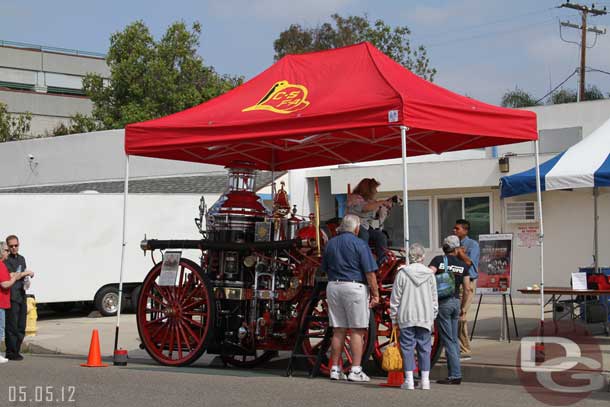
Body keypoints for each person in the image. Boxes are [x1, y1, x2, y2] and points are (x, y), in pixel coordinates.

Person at [321, 214, 380, 382]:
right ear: (357, 228)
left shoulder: (331, 243)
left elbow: (324, 268)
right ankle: (355, 369)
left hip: (333, 285)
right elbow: (369, 272)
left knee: (338, 329)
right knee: (357, 330)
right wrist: (375, 294)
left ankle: (334, 368)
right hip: (354, 286)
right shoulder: (360, 244)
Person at [390, 243, 438, 390]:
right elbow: (434, 298)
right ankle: (425, 381)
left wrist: (394, 317)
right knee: (425, 348)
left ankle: (409, 380)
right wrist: (433, 315)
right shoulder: (429, 275)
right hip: (424, 315)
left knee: (407, 348)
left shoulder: (402, 273)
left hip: (407, 315)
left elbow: (395, 298)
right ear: (423, 257)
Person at [429, 235, 472, 385]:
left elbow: (428, 275)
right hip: (456, 303)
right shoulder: (463, 265)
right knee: (453, 339)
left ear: (444, 247)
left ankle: (455, 375)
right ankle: (455, 373)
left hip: (443, 303)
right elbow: (467, 289)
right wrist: (462, 308)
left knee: (449, 340)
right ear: (457, 248)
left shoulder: (438, 261)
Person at [346, 178, 393, 265]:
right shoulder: (355, 198)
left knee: (381, 236)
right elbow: (365, 208)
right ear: (368, 189)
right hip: (353, 227)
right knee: (364, 234)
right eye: (375, 189)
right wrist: (381, 202)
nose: (376, 191)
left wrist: (385, 207)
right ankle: (364, 260)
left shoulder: (368, 200)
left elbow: (375, 213)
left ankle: (382, 261)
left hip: (364, 227)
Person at [4, 235, 34, 361]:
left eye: (16, 245)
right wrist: (26, 273)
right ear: (8, 247)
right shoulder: (6, 261)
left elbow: (22, 276)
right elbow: (13, 275)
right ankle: (10, 351)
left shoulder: (22, 259)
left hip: (22, 294)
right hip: (12, 296)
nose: (14, 248)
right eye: (11, 246)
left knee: (22, 325)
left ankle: (17, 349)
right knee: (12, 326)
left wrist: (27, 279)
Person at [453, 219, 479, 360]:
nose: (454, 231)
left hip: (468, 282)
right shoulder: (453, 244)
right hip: (456, 281)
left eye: (457, 229)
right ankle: (456, 347)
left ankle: (465, 349)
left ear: (465, 230)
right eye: (454, 228)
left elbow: (469, 262)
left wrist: (460, 253)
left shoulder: (472, 244)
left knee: (461, 315)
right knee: (454, 315)